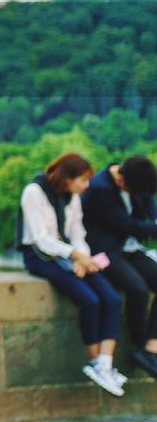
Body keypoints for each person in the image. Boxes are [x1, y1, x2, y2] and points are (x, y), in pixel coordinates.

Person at [17, 152, 125, 395]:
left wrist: (82, 258)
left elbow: (78, 232)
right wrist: (75, 255)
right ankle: (95, 362)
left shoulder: (72, 197)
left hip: (70, 254)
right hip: (40, 255)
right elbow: (41, 238)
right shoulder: (34, 192)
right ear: (68, 177)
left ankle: (105, 364)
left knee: (112, 299)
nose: (86, 186)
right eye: (83, 180)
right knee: (89, 300)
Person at [82, 156, 157, 378]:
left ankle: (152, 345)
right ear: (122, 180)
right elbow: (127, 225)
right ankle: (139, 344)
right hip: (103, 251)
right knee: (137, 288)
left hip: (129, 248)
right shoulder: (99, 189)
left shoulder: (136, 178)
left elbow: (147, 201)